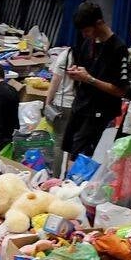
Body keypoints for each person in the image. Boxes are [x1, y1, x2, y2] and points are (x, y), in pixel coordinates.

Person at [61, 1, 127, 162]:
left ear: (99, 23)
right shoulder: (88, 44)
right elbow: (84, 71)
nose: (85, 35)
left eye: (87, 30)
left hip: (99, 110)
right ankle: (64, 182)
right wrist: (76, 74)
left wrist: (89, 79)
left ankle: (74, 182)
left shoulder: (118, 49)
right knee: (69, 147)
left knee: (81, 152)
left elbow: (120, 90)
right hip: (81, 104)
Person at [45, 45, 75, 175]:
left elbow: (55, 82)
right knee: (72, 144)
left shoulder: (66, 55)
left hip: (62, 104)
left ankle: (55, 176)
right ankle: (68, 175)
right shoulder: (88, 55)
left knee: (58, 143)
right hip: (78, 106)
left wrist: (47, 102)